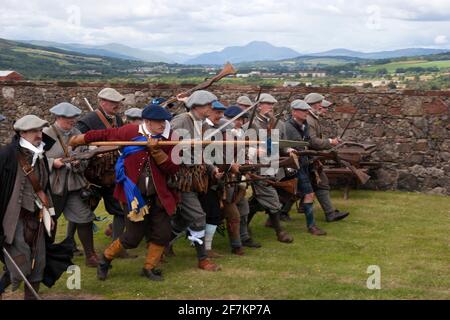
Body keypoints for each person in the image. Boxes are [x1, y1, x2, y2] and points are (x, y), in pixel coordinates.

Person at [69, 104, 179, 281]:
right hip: (133, 195)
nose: (163, 125)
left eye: (164, 121)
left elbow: (172, 168)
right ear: (148, 122)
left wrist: (157, 150)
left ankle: (149, 268)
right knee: (132, 238)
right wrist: (80, 139)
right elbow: (104, 135)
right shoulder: (129, 132)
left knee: (162, 233)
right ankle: (105, 260)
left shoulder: (170, 138)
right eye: (159, 122)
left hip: (159, 196)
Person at [0, 115, 56, 299]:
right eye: (34, 131)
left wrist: (50, 214)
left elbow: (44, 188)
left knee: (38, 263)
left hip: (37, 218)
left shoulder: (40, 154)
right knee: (20, 262)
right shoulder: (7, 155)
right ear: (22, 133)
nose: (39, 135)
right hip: (14, 219)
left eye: (40, 130)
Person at [76, 88, 135, 258]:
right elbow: (77, 145)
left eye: (118, 102)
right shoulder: (87, 121)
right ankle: (74, 245)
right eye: (113, 103)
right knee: (83, 214)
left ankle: (117, 247)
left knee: (120, 211)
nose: (117, 105)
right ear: (102, 103)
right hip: (92, 176)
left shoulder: (116, 119)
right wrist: (94, 148)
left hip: (111, 175)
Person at [169, 90, 222, 271]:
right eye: (208, 105)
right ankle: (202, 259)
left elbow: (202, 154)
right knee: (198, 217)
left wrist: (212, 169)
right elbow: (171, 149)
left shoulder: (203, 125)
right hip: (181, 178)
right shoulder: (181, 121)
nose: (210, 108)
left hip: (197, 177)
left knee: (183, 220)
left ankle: (161, 246)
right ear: (198, 106)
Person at [43, 102, 99, 267]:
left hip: (74, 185)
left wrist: (78, 164)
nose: (73, 121)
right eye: (69, 119)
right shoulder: (46, 134)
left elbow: (84, 158)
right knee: (49, 222)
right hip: (53, 187)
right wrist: (53, 162)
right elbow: (35, 159)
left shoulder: (77, 133)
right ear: (59, 117)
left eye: (74, 118)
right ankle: (45, 255)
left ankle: (91, 256)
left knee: (84, 218)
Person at [244, 93, 294, 244]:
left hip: (274, 166)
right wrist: (255, 151)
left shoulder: (278, 124)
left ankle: (243, 226)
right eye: (267, 104)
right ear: (258, 106)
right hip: (257, 168)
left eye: (272, 104)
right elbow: (243, 148)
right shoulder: (250, 125)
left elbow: (282, 145)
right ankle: (280, 232)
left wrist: (289, 150)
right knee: (272, 199)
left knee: (258, 201)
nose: (271, 107)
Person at [304, 93, 349, 222]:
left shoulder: (313, 119)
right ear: (315, 105)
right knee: (316, 184)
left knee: (318, 184)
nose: (323, 107)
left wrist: (330, 143)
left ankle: (330, 213)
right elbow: (312, 142)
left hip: (312, 158)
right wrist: (330, 142)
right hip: (308, 158)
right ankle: (330, 214)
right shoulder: (309, 120)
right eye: (320, 104)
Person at [283, 100, 326, 235]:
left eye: (307, 111)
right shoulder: (287, 127)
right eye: (303, 111)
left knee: (291, 193)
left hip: (304, 162)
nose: (306, 113)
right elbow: (286, 144)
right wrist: (290, 150)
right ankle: (311, 226)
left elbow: (307, 142)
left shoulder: (305, 124)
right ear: (294, 112)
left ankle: (275, 217)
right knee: (309, 194)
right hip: (294, 164)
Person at [223, 106, 261, 249]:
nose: (238, 122)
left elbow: (243, 152)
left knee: (243, 208)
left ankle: (243, 237)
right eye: (235, 119)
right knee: (229, 212)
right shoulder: (224, 134)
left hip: (239, 175)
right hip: (226, 177)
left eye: (240, 119)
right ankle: (235, 243)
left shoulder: (241, 133)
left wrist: (248, 162)